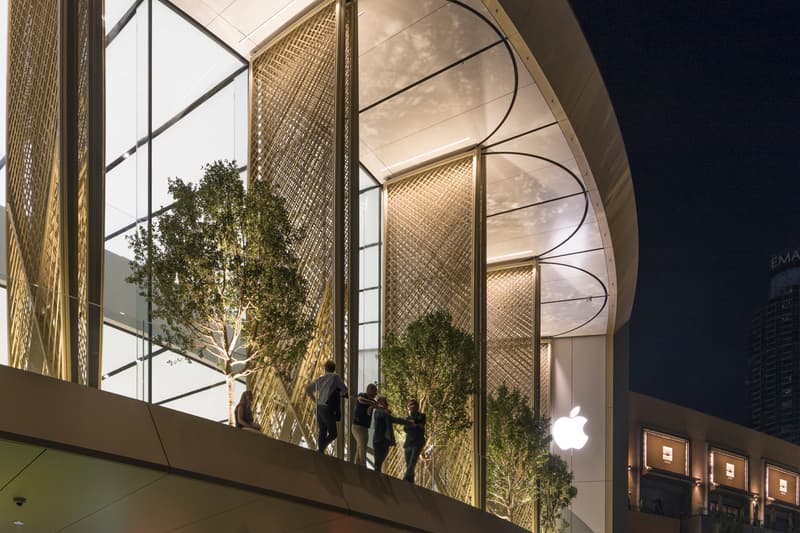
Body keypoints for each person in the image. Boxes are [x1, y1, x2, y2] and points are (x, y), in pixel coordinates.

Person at [305, 360, 348, 453]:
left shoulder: (320, 379)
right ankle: (320, 450)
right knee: (333, 433)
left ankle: (320, 453)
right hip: (327, 409)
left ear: (325, 368)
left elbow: (308, 389)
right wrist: (338, 394)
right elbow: (345, 390)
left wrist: (315, 400)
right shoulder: (335, 377)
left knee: (322, 431)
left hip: (318, 408)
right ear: (334, 368)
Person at [371, 396, 406, 473]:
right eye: (384, 402)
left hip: (385, 441)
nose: (386, 404)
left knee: (381, 458)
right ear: (379, 403)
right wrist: (385, 410)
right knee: (378, 461)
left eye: (386, 403)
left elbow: (396, 420)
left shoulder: (386, 415)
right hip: (378, 440)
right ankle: (376, 477)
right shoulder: (377, 412)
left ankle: (377, 475)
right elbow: (381, 414)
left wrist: (408, 422)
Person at [351, 383, 378, 466]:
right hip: (358, 426)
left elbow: (377, 406)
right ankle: (363, 465)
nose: (375, 394)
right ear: (368, 390)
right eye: (374, 391)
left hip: (365, 427)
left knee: (360, 445)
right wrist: (372, 404)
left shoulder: (373, 401)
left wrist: (374, 406)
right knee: (362, 446)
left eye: (375, 392)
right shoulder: (362, 395)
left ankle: (357, 464)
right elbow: (360, 399)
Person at [402, 399, 426, 483]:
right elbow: (405, 429)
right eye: (409, 405)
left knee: (412, 463)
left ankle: (404, 481)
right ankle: (411, 484)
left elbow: (420, 425)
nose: (411, 407)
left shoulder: (422, 416)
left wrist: (413, 424)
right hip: (408, 443)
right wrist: (413, 424)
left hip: (417, 443)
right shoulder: (408, 418)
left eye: (412, 405)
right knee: (409, 465)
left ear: (417, 406)